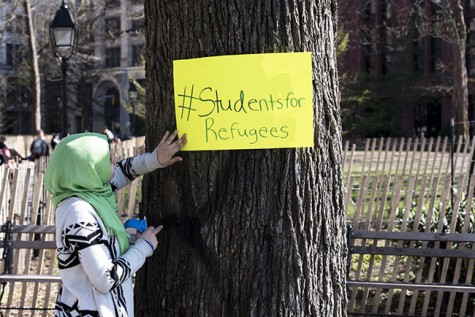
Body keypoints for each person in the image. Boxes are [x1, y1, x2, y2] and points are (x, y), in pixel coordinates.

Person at [44, 130, 187, 317]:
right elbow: (105, 278)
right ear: (89, 168)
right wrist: (143, 247)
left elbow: (123, 171)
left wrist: (155, 159)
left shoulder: (92, 194)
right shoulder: (78, 214)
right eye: (108, 160)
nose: (114, 162)